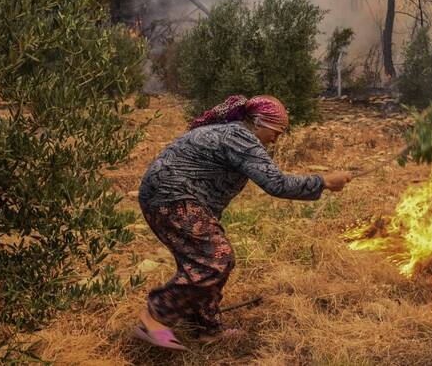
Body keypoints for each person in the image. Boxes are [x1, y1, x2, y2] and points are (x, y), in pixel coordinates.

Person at [134, 95, 351, 350]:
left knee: (202, 262)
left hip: (166, 197)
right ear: (258, 122)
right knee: (216, 260)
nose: (277, 138)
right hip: (172, 198)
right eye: (276, 130)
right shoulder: (241, 138)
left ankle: (207, 328)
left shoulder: (231, 135)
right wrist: (324, 181)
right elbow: (277, 184)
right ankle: (155, 317)